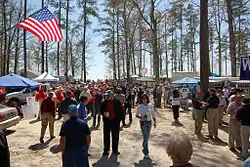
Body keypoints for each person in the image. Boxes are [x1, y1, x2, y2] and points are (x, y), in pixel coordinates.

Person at [100, 90, 122, 156]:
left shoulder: (117, 102)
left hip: (115, 122)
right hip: (107, 121)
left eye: (108, 95)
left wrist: (119, 120)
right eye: (106, 96)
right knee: (106, 136)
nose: (107, 97)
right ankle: (106, 150)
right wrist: (104, 113)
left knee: (115, 136)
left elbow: (121, 112)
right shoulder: (104, 102)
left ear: (112, 96)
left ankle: (115, 149)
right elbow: (101, 110)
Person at [136, 93, 156, 159]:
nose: (144, 100)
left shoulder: (150, 105)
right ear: (141, 99)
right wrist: (141, 118)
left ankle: (144, 145)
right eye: (143, 99)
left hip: (149, 122)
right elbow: (137, 115)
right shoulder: (139, 106)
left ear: (147, 99)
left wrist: (155, 122)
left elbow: (153, 114)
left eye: (145, 98)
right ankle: (146, 152)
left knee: (147, 137)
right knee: (145, 137)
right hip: (143, 123)